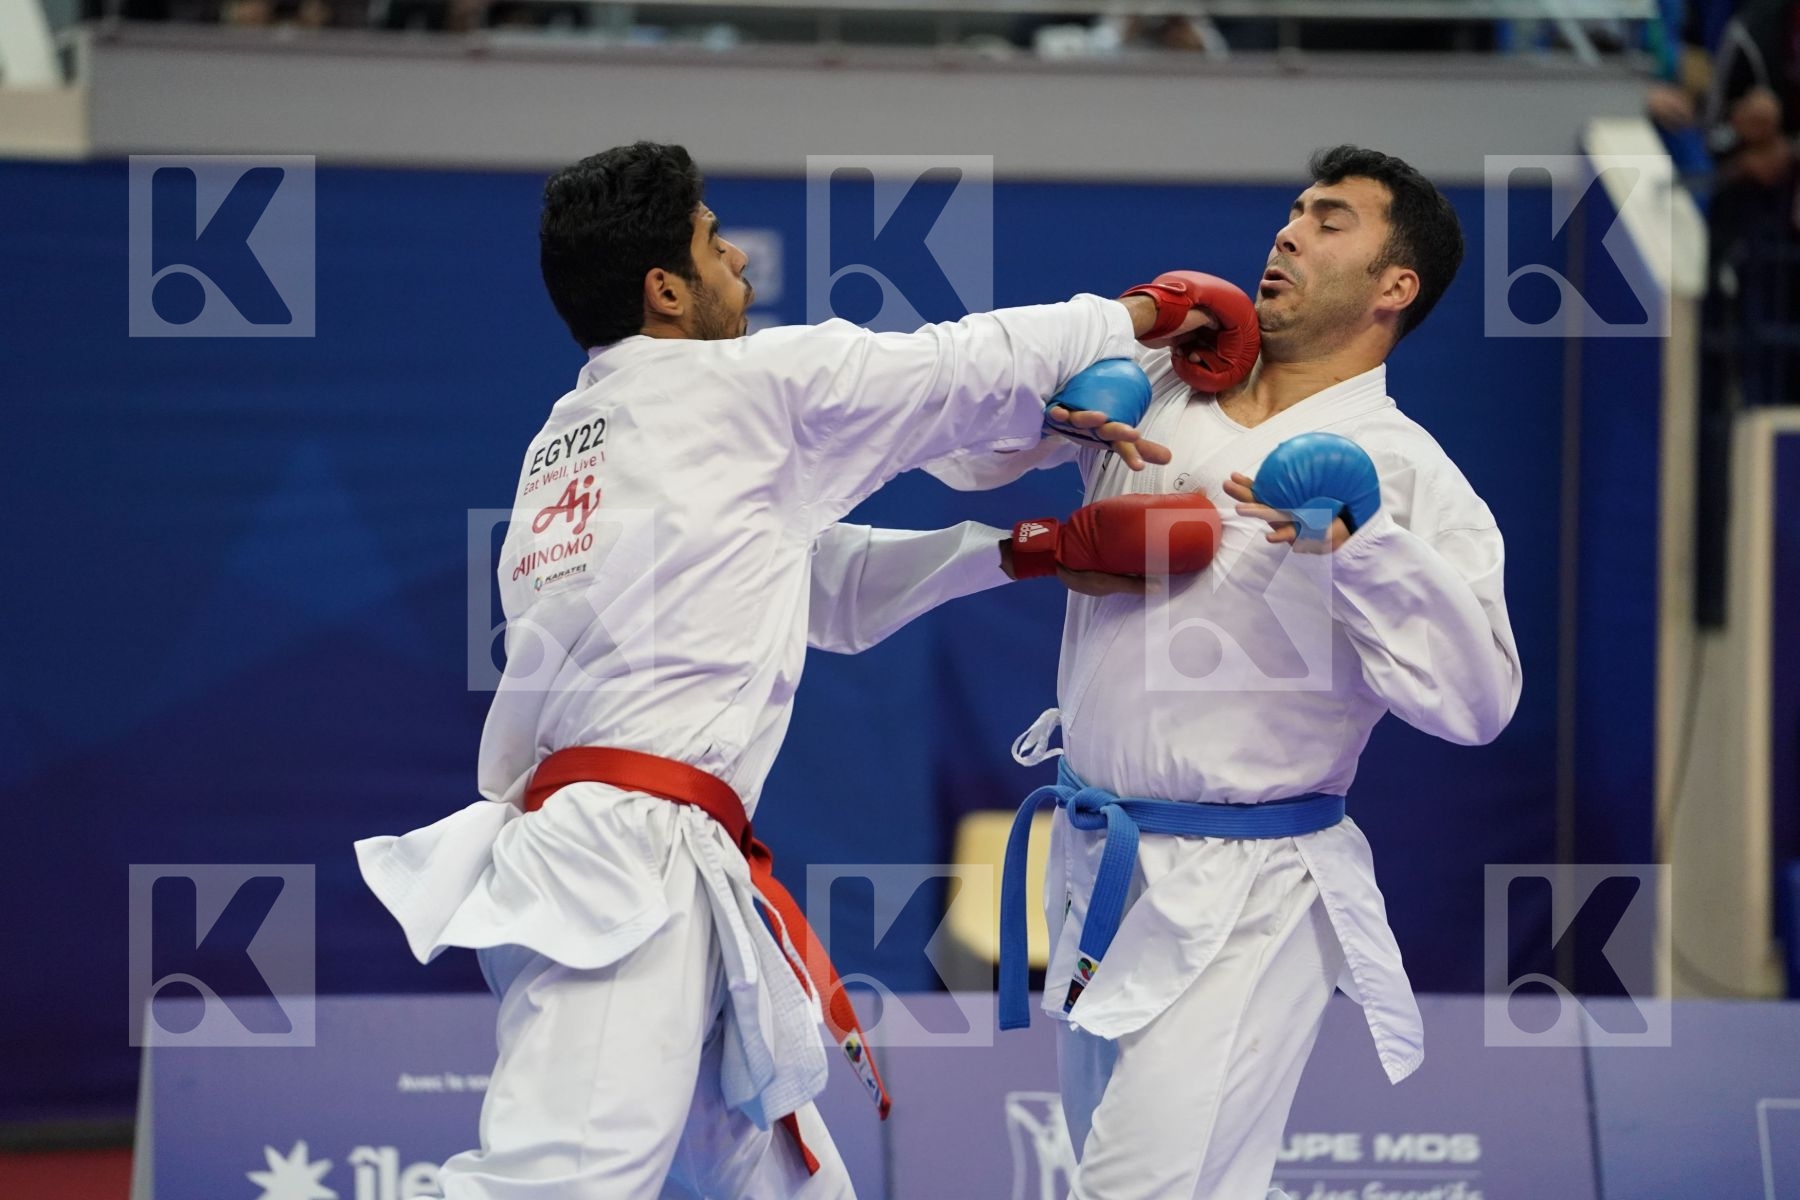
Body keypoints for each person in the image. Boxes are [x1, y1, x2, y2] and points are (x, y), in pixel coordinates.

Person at [352, 139, 1205, 1199]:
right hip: (626, 868)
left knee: (782, 1182)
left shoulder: (570, 442)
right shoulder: (738, 388)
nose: (741, 267)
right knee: (555, 1183)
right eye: (715, 244)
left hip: (647, 855)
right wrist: (1146, 316)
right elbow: (961, 362)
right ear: (666, 288)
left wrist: (1027, 550)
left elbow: (813, 588)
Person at [924, 144, 1522, 1199]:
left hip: (1251, 891)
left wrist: (1367, 548)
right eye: (1292, 211)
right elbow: (954, 455)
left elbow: (1476, 705)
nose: (1288, 231)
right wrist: (1072, 373)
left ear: (1396, 287)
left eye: (1330, 219)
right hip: (1097, 865)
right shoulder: (1159, 382)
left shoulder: (1408, 472)